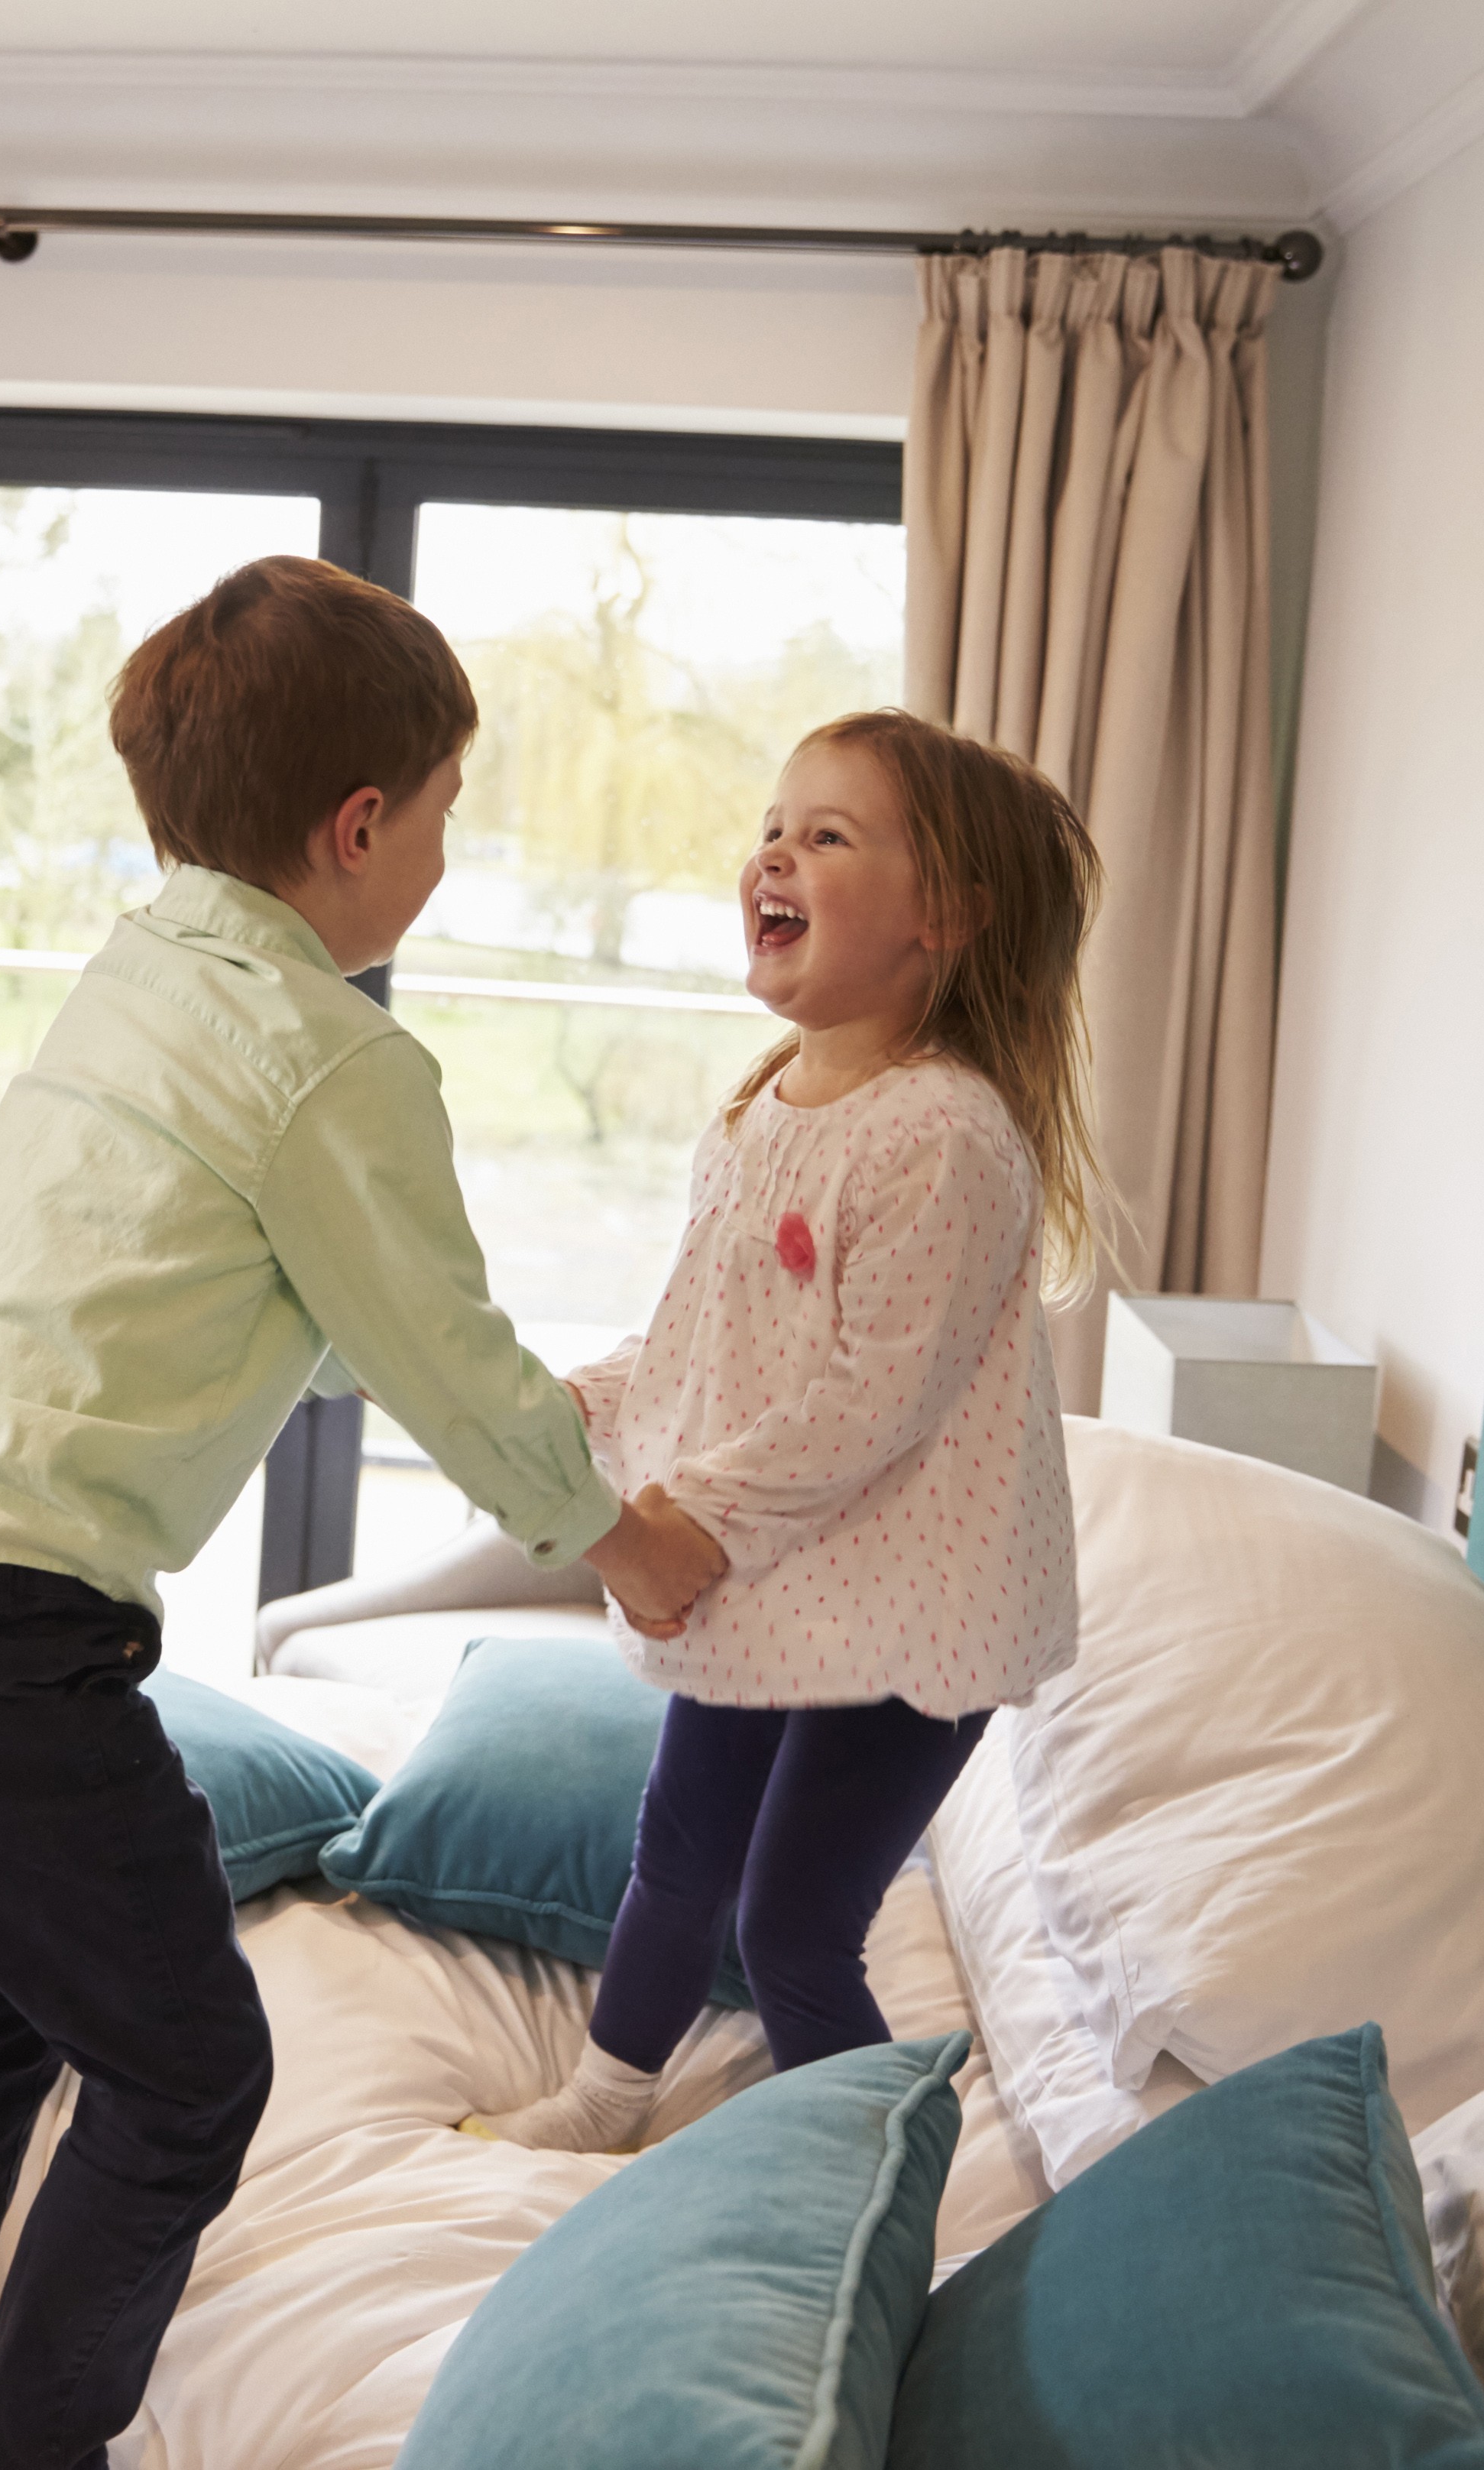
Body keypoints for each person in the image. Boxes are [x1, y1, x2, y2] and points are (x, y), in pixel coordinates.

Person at [0, 555, 726, 2470]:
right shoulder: (333, 1057)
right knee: (191, 2070)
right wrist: (628, 1538)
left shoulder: (144, 972)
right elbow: (440, 1359)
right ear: (357, 826)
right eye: (445, 815)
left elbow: (314, 1302)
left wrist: (563, 1402)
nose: (449, 852)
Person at [474, 710, 1098, 2153]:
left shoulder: (941, 1133)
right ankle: (604, 2097)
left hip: (917, 1611)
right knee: (676, 1853)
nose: (773, 850)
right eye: (771, 826)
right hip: (787, 1581)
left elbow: (868, 1402)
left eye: (826, 835)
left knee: (793, 1922)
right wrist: (586, 1406)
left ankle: (878, 2178)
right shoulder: (757, 1109)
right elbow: (704, 1341)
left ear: (940, 914)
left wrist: (691, 1523)